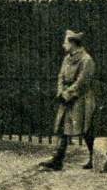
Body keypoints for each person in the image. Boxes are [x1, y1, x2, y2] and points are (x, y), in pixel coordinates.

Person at [41, 30, 97, 171]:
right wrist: (61, 91)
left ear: (73, 43)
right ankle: (58, 160)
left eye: (66, 42)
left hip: (80, 98)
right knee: (62, 128)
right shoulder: (67, 58)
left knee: (85, 128)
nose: (63, 45)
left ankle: (94, 157)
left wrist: (69, 93)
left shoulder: (86, 60)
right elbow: (60, 76)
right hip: (66, 96)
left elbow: (83, 81)